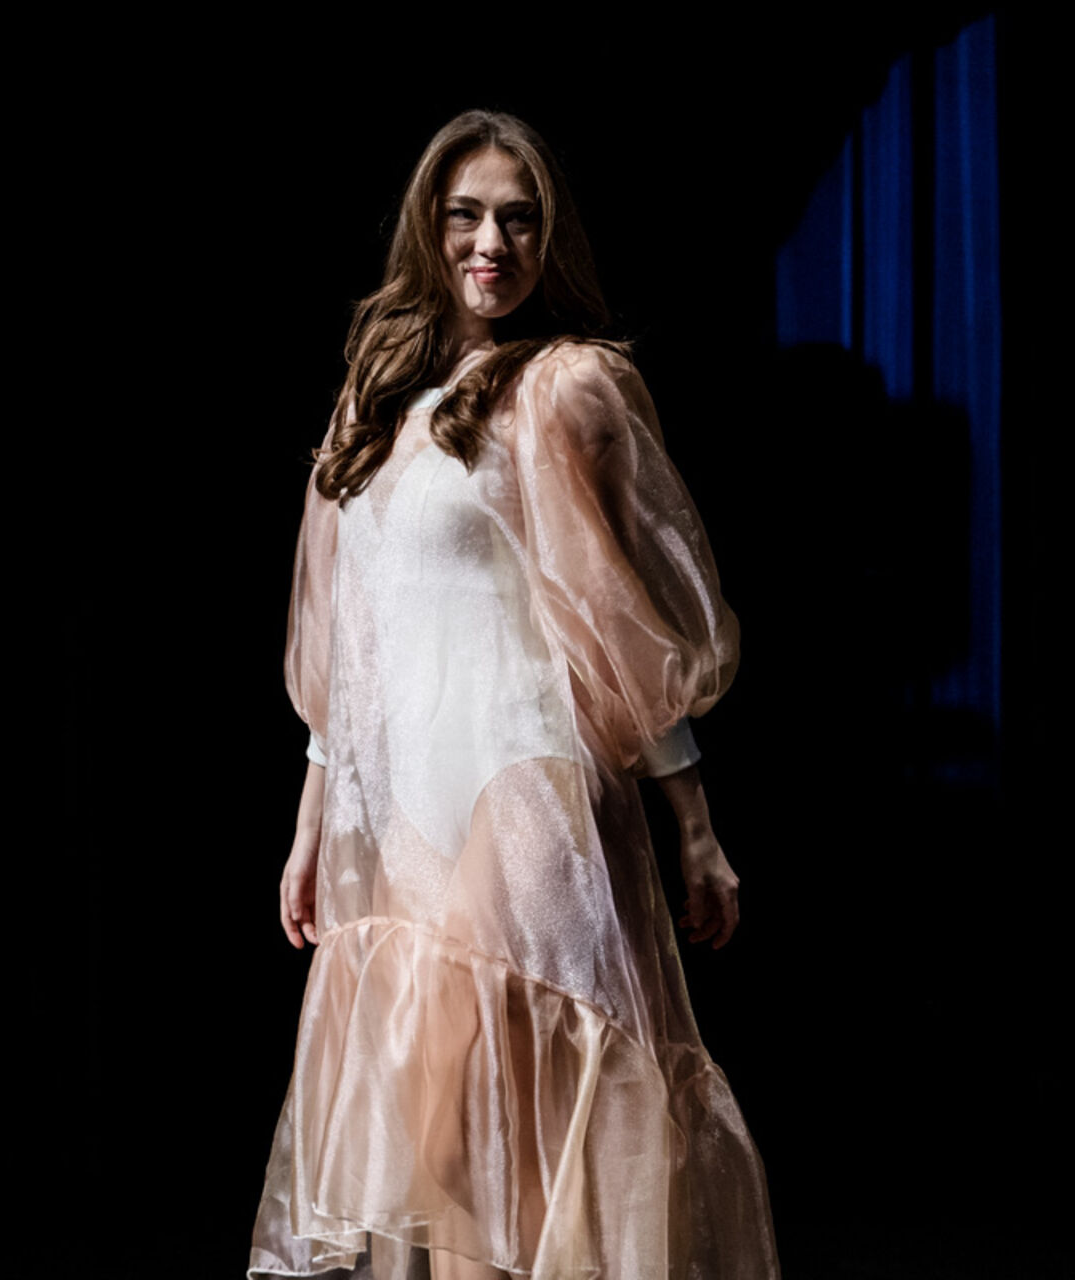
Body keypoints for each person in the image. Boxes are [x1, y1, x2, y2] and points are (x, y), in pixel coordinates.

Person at [247, 110, 779, 1280]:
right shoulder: (371, 402)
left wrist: (695, 826)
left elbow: (622, 627)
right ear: (428, 229)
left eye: (519, 219)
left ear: (550, 237)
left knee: (481, 1119)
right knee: (445, 1163)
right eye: (467, 215)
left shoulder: (564, 387)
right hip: (404, 806)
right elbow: (345, 648)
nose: (493, 242)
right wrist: (309, 827)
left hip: (527, 773)